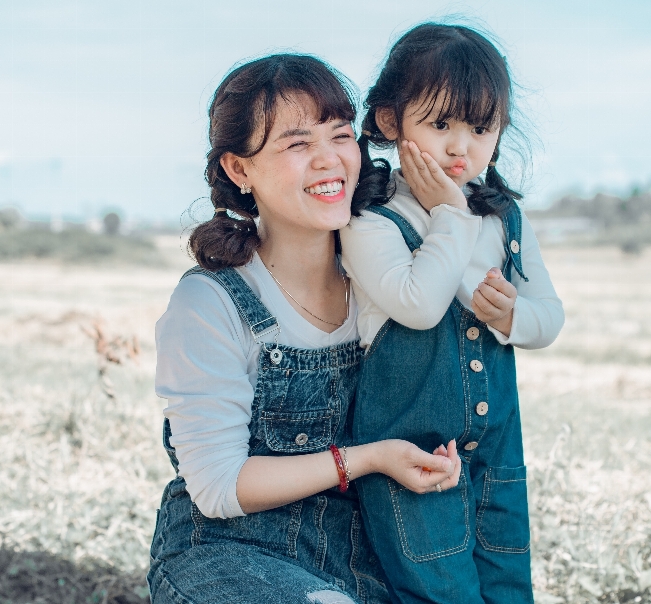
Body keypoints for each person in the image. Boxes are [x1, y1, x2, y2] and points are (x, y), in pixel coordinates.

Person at [147, 53, 464, 604]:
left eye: (340, 135)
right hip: (231, 555)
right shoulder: (209, 302)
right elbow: (220, 487)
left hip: (371, 561)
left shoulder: (392, 286)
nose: (329, 160)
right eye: (297, 144)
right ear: (238, 170)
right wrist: (368, 458)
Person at [339, 23, 565, 604]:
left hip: (496, 457)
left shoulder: (506, 219)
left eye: (481, 128)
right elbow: (417, 306)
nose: (460, 148)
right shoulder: (372, 220)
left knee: (508, 585)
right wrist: (448, 213)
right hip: (413, 463)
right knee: (442, 593)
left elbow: (549, 317)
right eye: (441, 125)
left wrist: (516, 317)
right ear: (391, 122)